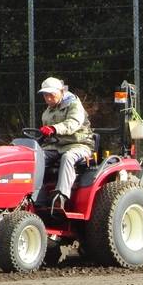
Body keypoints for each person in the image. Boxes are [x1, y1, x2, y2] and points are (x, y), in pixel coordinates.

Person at [37, 76, 94, 212]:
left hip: (79, 145)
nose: (48, 98)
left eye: (51, 95)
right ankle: (36, 195)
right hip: (55, 147)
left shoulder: (74, 104)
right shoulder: (47, 112)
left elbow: (73, 123)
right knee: (36, 157)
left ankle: (60, 197)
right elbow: (46, 134)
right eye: (45, 95)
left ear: (61, 92)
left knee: (68, 157)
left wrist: (54, 128)